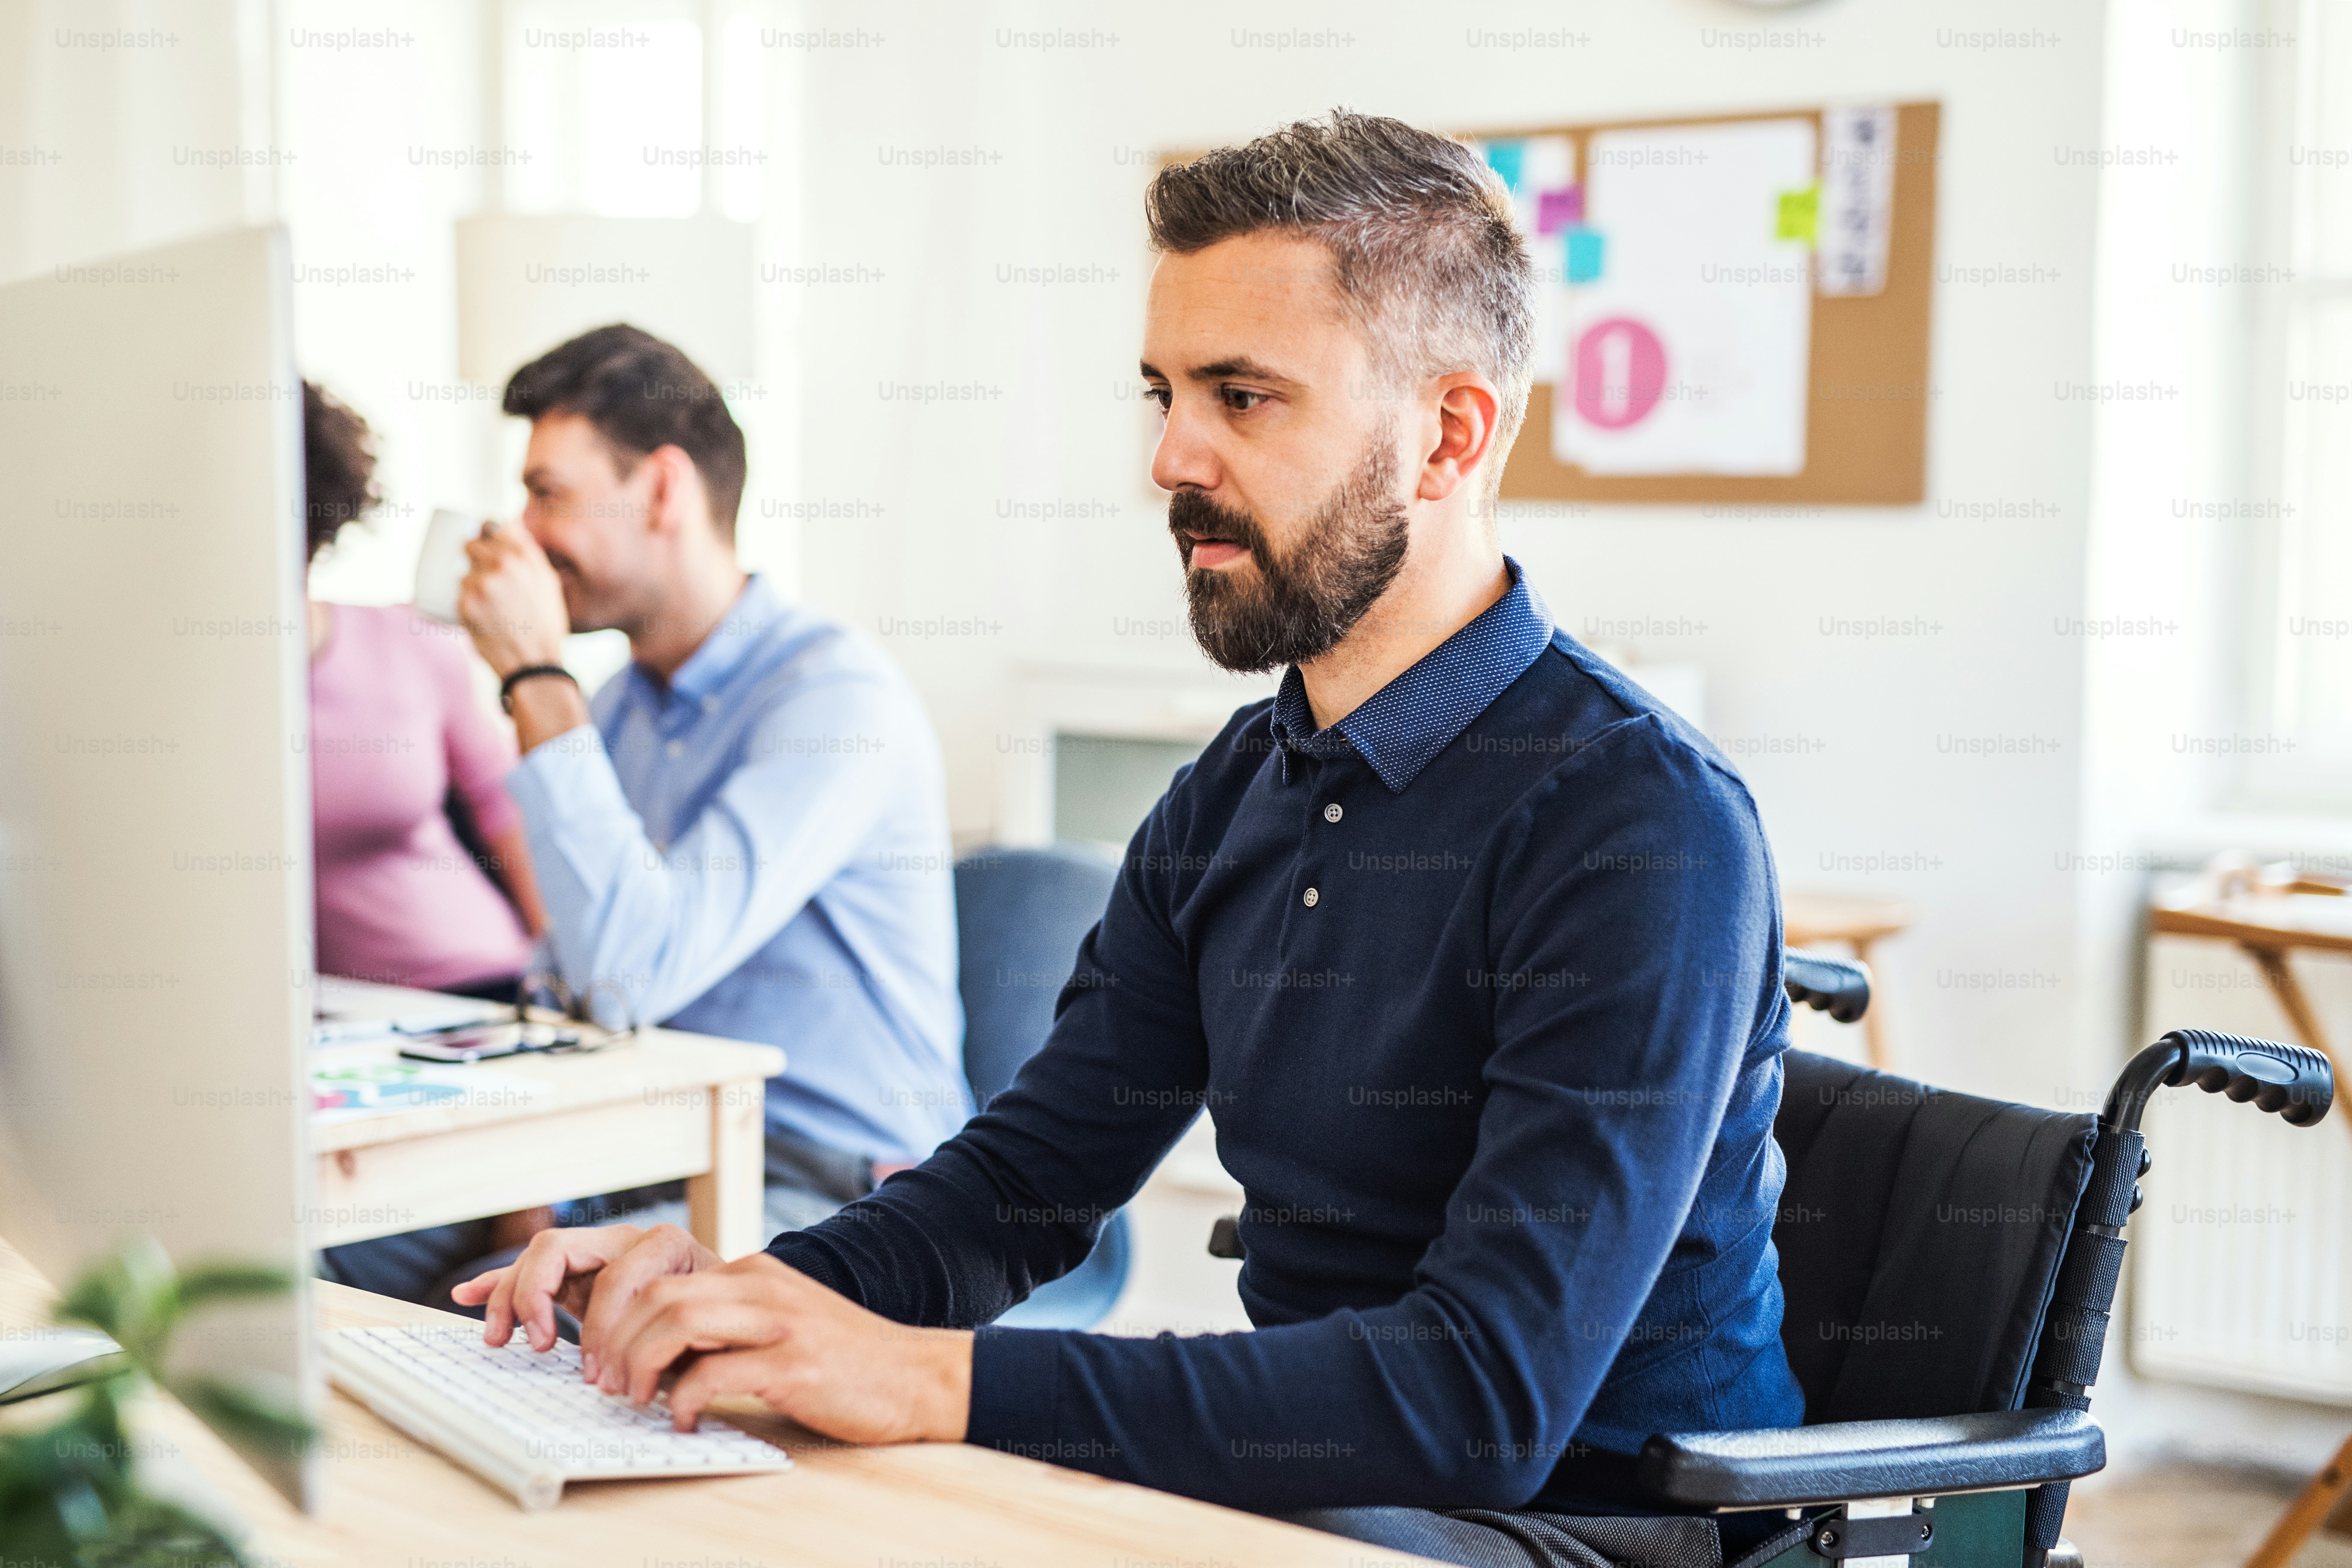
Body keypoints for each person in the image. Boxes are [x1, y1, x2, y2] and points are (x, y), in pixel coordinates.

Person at [457, 114, 1806, 1568]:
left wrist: (929, 1379)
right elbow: (1014, 1191)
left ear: (1449, 434)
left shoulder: (1640, 821)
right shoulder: (1240, 787)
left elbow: (1480, 1393)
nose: (1171, 455)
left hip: (1604, 1530)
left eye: (1244, 395)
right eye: (1164, 391)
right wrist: (737, 1301)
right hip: (1343, 1501)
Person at [450, 325, 969, 1246]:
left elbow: (631, 971)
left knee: (562, 1333)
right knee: (315, 1260)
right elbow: (569, 976)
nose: (522, 533)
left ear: (661, 490)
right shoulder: (612, 710)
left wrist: (533, 675)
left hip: (838, 1183)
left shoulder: (835, 698)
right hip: (643, 1157)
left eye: (548, 495)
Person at [302, 380, 551, 1297]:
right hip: (336, 1027)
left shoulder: (409, 644)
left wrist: (561, 988)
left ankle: (531, 1215)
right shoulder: (181, 691)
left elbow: (510, 811)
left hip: (480, 992)